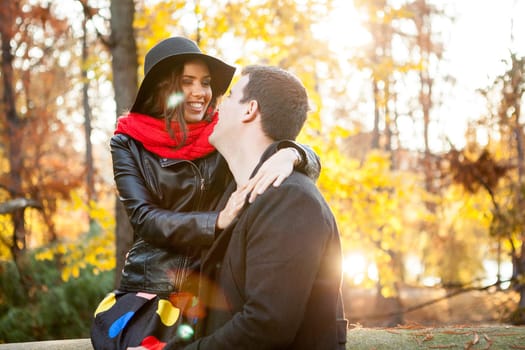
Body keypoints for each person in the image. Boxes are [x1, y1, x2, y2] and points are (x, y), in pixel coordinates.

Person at [90, 37, 320, 350]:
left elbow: (266, 143)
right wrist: (216, 220)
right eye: (188, 81)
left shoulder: (219, 134)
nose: (201, 92)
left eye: (206, 82)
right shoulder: (127, 142)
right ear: (162, 87)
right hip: (153, 287)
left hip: (212, 288)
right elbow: (143, 218)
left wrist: (294, 153)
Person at [171, 65, 347, 350]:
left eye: (229, 97)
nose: (216, 104)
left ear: (249, 109)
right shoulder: (233, 194)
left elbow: (265, 326)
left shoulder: (290, 200)